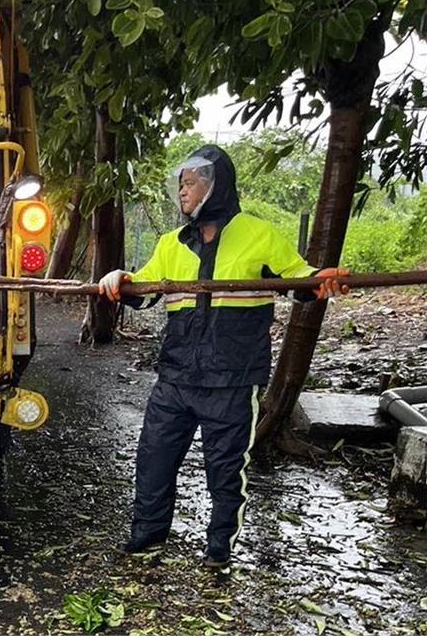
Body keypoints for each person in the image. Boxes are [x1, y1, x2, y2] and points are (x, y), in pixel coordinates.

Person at [99, 144, 348, 569]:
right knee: (154, 459)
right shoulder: (171, 243)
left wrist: (319, 280)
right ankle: (147, 536)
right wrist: (118, 278)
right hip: (175, 377)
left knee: (226, 470)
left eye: (192, 182)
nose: (183, 191)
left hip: (232, 379)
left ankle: (218, 550)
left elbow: (298, 279)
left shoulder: (258, 233)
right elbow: (142, 290)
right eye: (181, 183)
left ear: (216, 186)